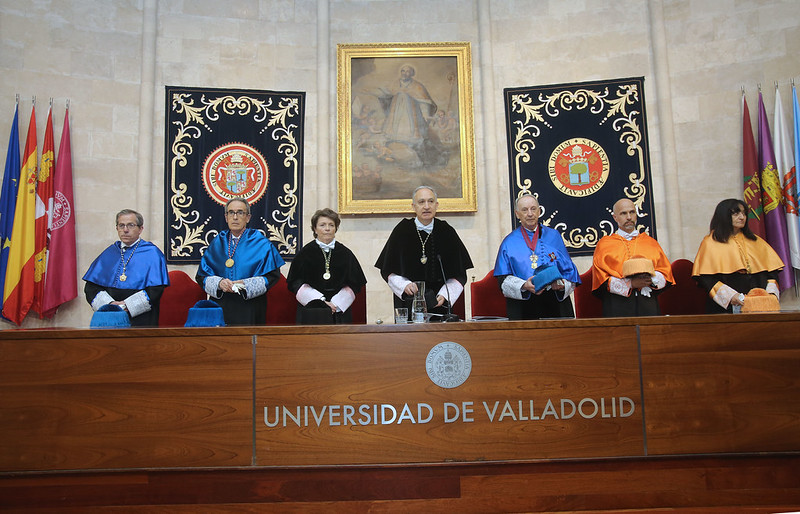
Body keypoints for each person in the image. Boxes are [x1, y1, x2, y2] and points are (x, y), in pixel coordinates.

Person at [375, 186, 473, 321]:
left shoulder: (446, 231)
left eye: (430, 201)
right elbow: (388, 270)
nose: (426, 206)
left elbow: (459, 274)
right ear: (413, 206)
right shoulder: (402, 230)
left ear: (436, 205)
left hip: (440, 302)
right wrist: (405, 286)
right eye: (421, 202)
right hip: (409, 301)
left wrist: (445, 295)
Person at [196, 198, 285, 325]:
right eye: (231, 213)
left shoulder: (261, 243)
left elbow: (272, 276)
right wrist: (219, 283)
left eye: (240, 213)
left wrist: (245, 284)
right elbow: (201, 276)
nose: (235, 217)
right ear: (226, 217)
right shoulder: (217, 242)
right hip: (222, 304)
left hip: (250, 306)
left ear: (248, 217)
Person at [494, 194, 580, 320]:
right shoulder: (509, 242)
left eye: (533, 209)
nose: (530, 214)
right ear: (517, 214)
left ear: (539, 211)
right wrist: (524, 285)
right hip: (523, 307)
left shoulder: (554, 236)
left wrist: (562, 284)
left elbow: (570, 273)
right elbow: (502, 281)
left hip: (554, 303)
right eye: (524, 210)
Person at [692, 198, 784, 313]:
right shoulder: (710, 243)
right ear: (724, 215)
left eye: (744, 213)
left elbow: (772, 274)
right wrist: (731, 297)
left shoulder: (756, 241)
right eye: (736, 213)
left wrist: (769, 296)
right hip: (725, 307)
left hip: (759, 305)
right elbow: (706, 278)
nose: (742, 217)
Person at [83, 209, 169, 327]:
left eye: (131, 225)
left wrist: (127, 306)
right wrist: (111, 305)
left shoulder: (152, 253)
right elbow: (91, 288)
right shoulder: (109, 253)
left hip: (141, 319)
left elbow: (156, 290)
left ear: (140, 229)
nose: (125, 230)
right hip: (111, 318)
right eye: (121, 225)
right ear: (116, 228)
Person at [591, 198, 673, 317]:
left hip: (648, 306)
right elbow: (601, 280)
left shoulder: (651, 243)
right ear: (615, 217)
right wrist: (631, 284)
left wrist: (650, 280)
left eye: (632, 212)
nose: (629, 217)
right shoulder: (604, 245)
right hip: (618, 308)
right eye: (623, 213)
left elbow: (666, 274)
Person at [287, 208, 367, 324]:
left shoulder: (346, 253)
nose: (327, 229)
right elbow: (295, 282)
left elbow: (355, 283)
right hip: (311, 311)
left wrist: (336, 303)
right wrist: (320, 302)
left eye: (331, 225)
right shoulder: (305, 253)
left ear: (336, 228)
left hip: (339, 311)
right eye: (322, 225)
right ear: (315, 228)